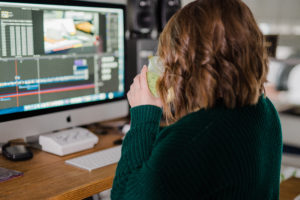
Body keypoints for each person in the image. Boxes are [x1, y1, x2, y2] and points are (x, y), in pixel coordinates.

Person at [111, 0, 282, 199]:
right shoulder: (265, 110)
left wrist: (143, 115)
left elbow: (123, 195)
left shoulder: (192, 138)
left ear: (185, 62)